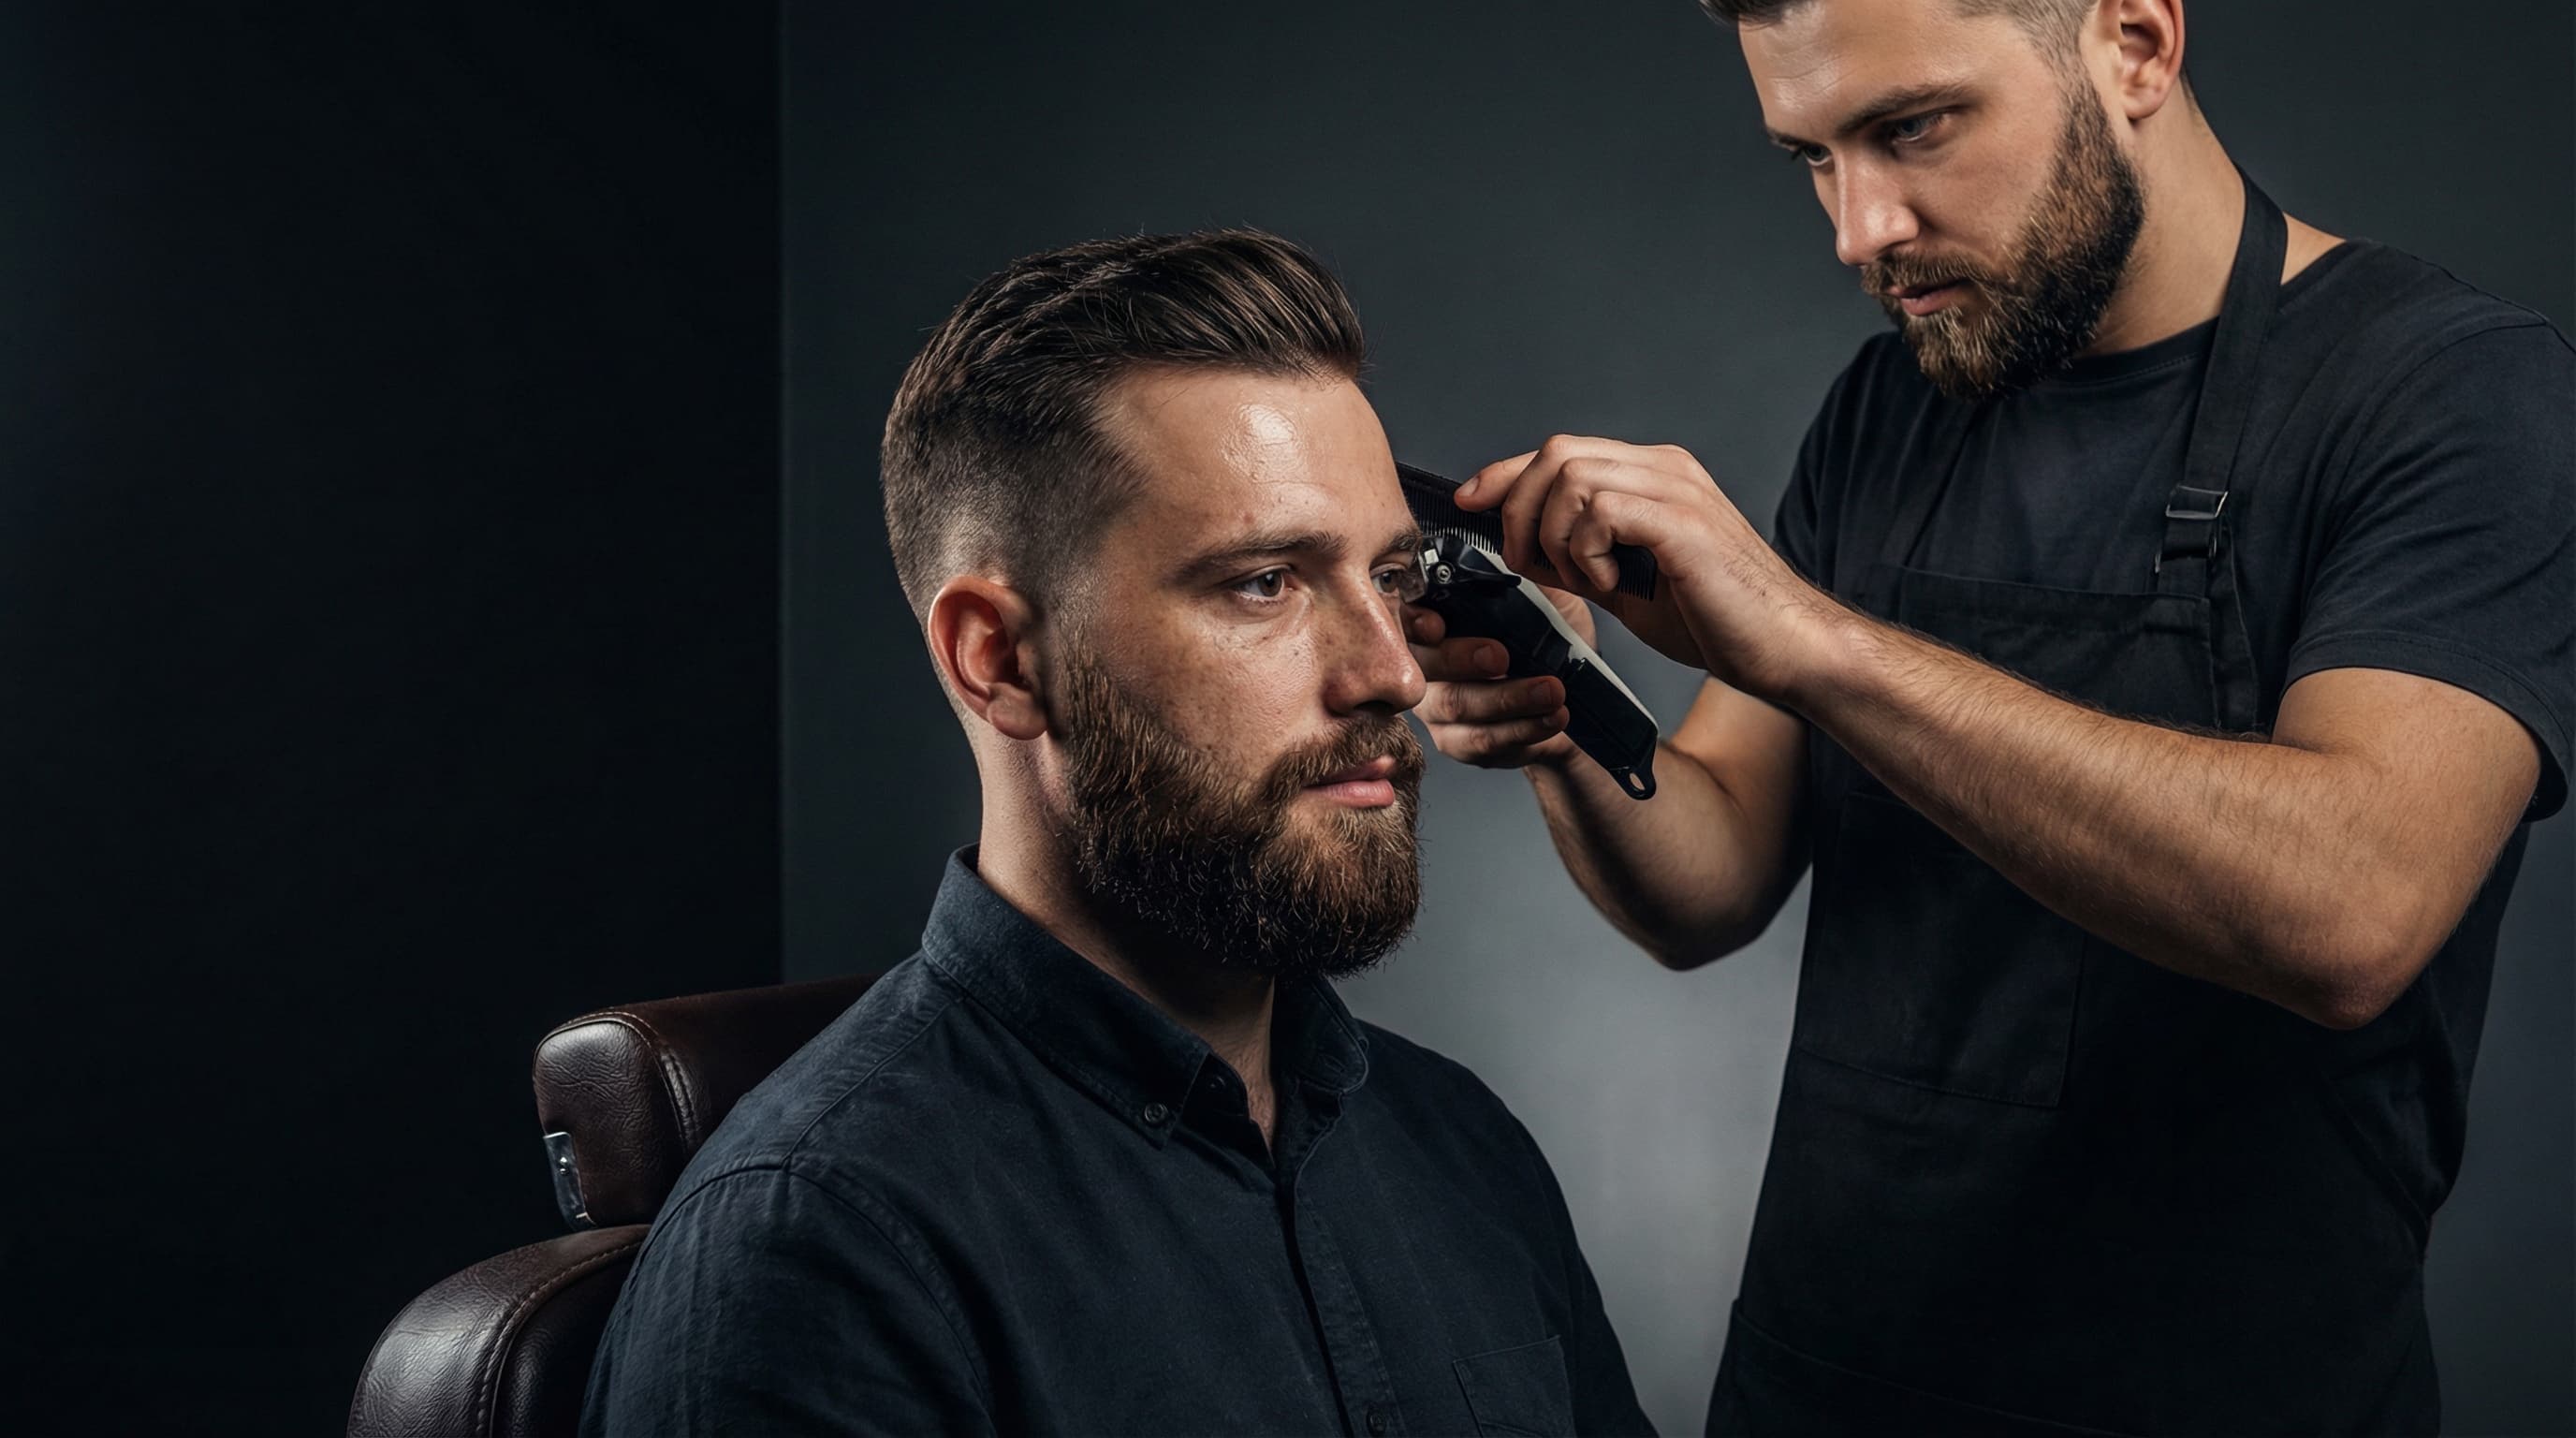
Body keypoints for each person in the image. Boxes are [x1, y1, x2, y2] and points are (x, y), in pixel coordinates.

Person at [1407, 0, 2571, 1431]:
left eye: (1910, 129)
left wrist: (1820, 646)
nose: (1859, 228)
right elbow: (1703, 885)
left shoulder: (2451, 394)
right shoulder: (1892, 406)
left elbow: (2351, 910)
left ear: (2135, 44)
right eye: (1810, 159)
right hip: (1825, 1383)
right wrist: (1560, 707)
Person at [580, 229, 1653, 1436]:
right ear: (1000, 661)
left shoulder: (1463, 1148)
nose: (1392, 671)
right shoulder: (821, 1253)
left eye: (1393, 579)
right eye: (1264, 583)